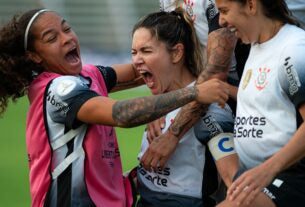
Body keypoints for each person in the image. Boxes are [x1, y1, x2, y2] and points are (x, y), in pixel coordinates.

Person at [0, 9, 230, 207]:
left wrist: (164, 86)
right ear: (34, 56)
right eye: (52, 38)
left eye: (67, 29)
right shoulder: (59, 89)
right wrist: (194, 93)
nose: (67, 38)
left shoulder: (87, 74)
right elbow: (121, 114)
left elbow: (141, 70)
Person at [131, 8, 238, 207]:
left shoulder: (209, 108)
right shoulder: (157, 104)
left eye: (146, 51)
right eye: (134, 52)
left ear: (177, 53)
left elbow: (237, 185)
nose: (136, 60)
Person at [213, 0, 305, 206]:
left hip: (288, 178)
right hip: (255, 175)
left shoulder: (294, 48)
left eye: (225, 11)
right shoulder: (256, 43)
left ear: (251, 5)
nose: (221, 21)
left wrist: (267, 170)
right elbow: (272, 100)